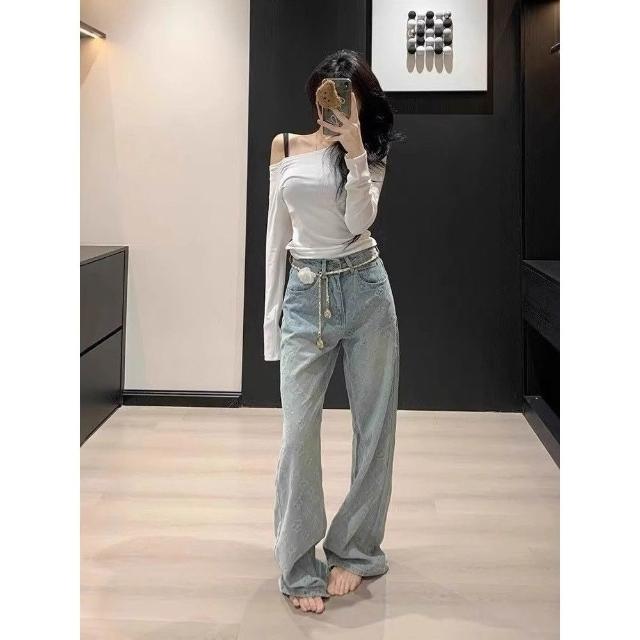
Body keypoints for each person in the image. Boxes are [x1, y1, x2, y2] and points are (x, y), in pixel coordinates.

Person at [263, 49, 402, 614]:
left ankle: (356, 550)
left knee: (374, 425)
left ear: (361, 101)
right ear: (316, 95)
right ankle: (299, 564)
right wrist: (271, 321)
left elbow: (358, 222)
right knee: (298, 432)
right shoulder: (285, 146)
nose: (335, 103)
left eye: (347, 94)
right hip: (304, 294)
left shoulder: (368, 152)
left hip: (365, 288)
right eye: (327, 92)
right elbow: (276, 235)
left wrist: (355, 151)